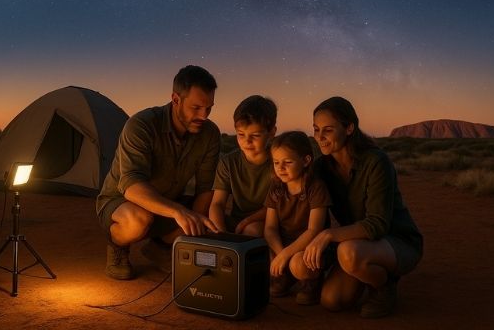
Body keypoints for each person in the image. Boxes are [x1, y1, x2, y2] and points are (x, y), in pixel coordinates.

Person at [95, 65, 222, 280]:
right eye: (197, 107)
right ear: (175, 99)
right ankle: (117, 246)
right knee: (138, 219)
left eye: (209, 108)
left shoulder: (210, 134)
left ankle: (161, 249)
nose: (204, 115)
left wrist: (194, 226)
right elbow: (131, 186)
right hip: (121, 202)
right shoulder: (141, 125)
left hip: (169, 202)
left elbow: (205, 188)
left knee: (204, 220)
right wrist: (178, 212)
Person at [302, 96, 423, 318]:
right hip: (357, 242)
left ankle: (384, 287)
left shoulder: (376, 162)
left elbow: (377, 224)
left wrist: (328, 235)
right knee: (332, 301)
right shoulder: (321, 167)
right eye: (316, 129)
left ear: (349, 128)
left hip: (395, 240)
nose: (319, 137)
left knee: (348, 253)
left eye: (328, 130)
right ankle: (361, 270)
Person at [263, 131, 331, 305]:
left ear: (306, 161)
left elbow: (314, 230)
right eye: (276, 162)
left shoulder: (316, 188)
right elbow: (270, 228)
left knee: (298, 263)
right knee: (263, 253)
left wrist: (285, 255)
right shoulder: (276, 188)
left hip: (309, 246)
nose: (281, 168)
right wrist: (280, 254)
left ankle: (311, 281)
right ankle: (286, 278)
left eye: (288, 162)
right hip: (283, 243)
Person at [209, 95, 278, 238]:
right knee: (205, 226)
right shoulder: (228, 162)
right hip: (236, 221)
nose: (247, 141)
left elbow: (278, 206)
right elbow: (217, 204)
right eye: (241, 134)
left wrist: (247, 221)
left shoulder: (279, 162)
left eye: (255, 135)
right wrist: (222, 236)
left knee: (252, 230)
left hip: (268, 220)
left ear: (271, 132)